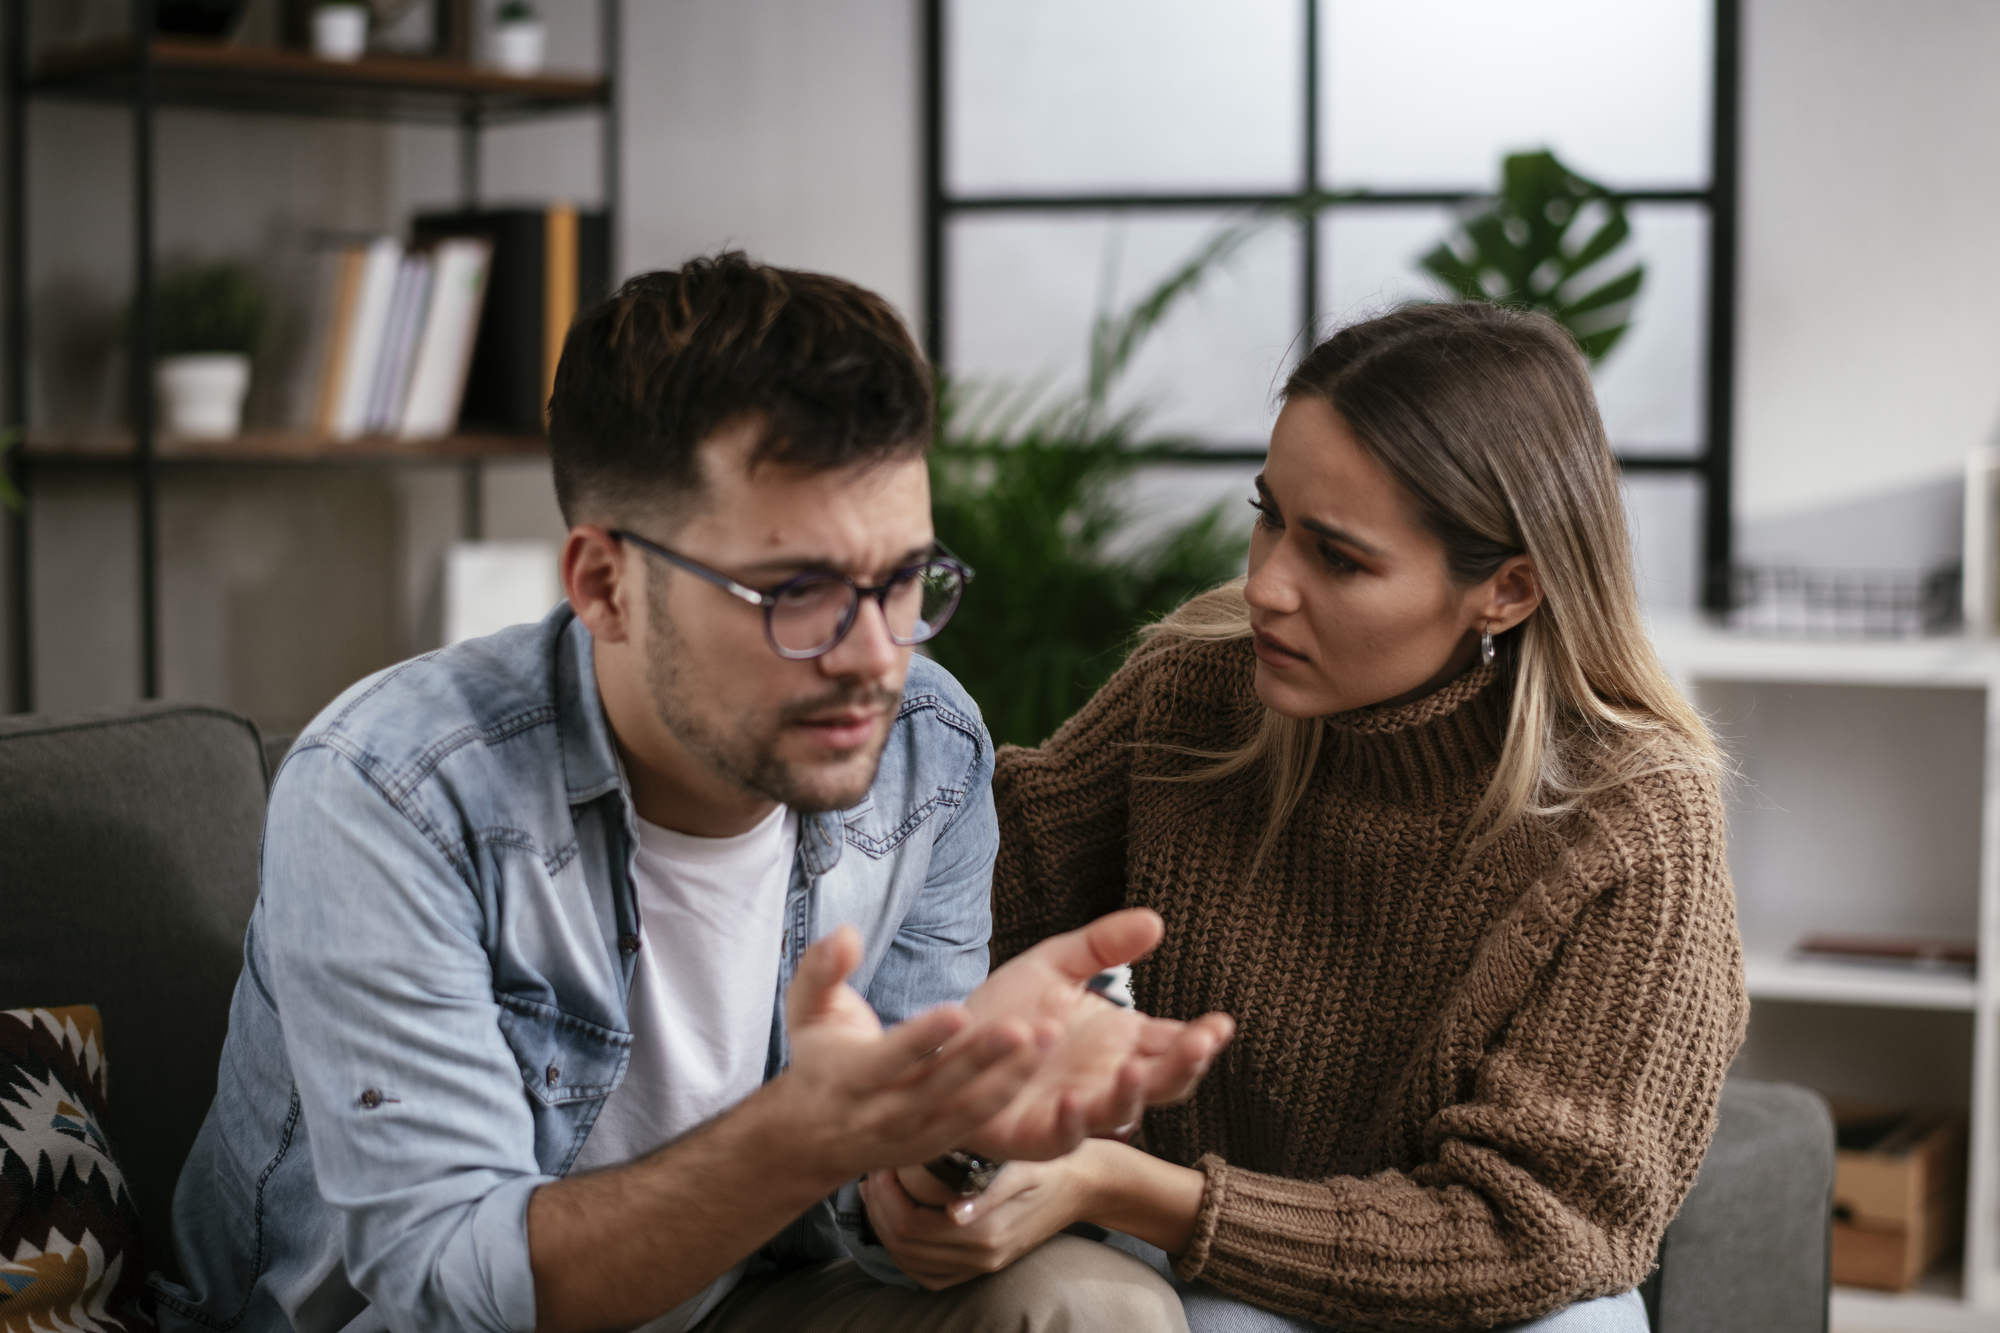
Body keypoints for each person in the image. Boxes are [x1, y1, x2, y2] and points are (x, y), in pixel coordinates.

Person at [149, 253, 1233, 1333]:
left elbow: (874, 1214)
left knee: (1094, 1306)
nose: (873, 655)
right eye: (795, 590)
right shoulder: (392, 790)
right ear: (604, 585)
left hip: (730, 1303)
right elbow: (446, 1282)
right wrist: (809, 1133)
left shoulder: (925, 750)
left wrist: (950, 1133)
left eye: (903, 579)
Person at [857, 302, 1749, 1332]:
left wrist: (1122, 1186)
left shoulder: (1629, 819)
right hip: (1212, 1273)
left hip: (1485, 1293)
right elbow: (972, 910)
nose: (1265, 584)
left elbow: (1533, 1230)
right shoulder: (1194, 690)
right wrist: (961, 1119)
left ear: (1506, 589)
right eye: (1266, 513)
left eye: (1337, 557)